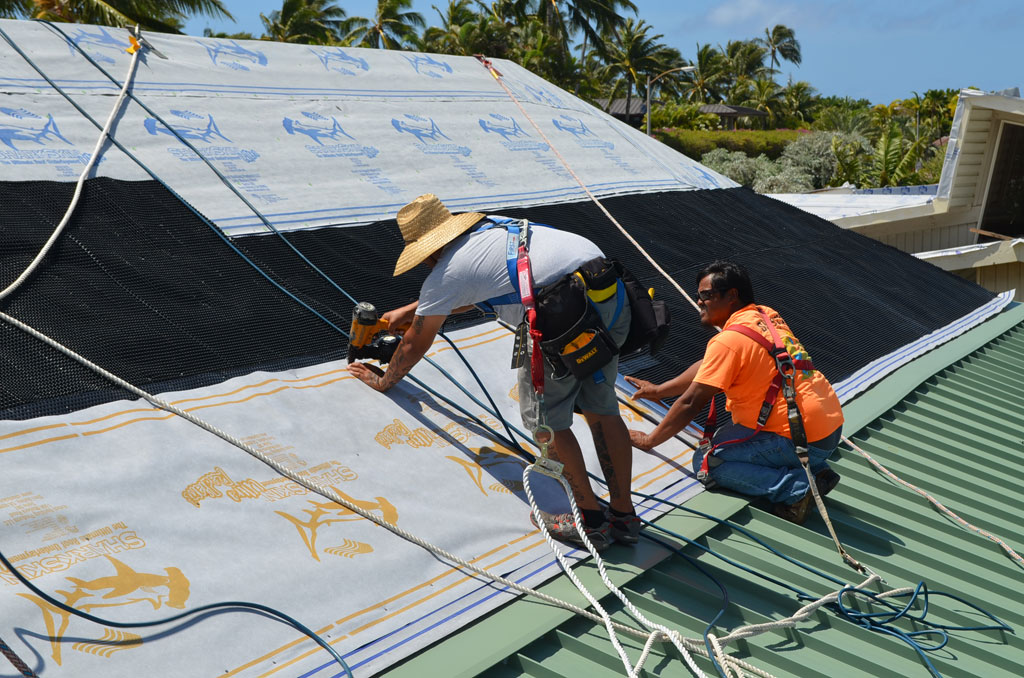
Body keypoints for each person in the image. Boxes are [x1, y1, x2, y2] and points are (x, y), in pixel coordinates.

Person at [348, 193, 639, 549]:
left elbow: (412, 345)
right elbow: (485, 286)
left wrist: (383, 381)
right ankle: (624, 516)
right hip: (609, 297)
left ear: (427, 252)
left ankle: (590, 521)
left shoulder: (446, 273)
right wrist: (417, 309)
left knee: (547, 421)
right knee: (601, 407)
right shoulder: (492, 229)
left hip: (562, 317)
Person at [626, 260, 843, 525]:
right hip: (827, 428)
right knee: (725, 437)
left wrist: (651, 440)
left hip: (799, 437)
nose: (699, 302)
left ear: (732, 296)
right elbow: (709, 364)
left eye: (706, 295)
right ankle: (818, 472)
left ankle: (797, 489)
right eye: (698, 296)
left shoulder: (729, 341)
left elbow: (691, 403)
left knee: (708, 461)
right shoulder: (765, 315)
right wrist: (659, 390)